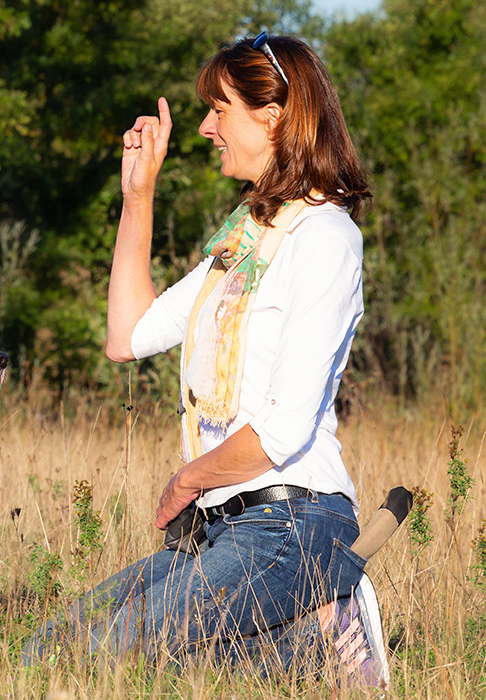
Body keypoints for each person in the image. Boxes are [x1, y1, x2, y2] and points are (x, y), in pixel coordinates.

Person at [22, 33, 388, 686]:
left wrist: (187, 479)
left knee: (109, 662)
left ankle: (327, 623)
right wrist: (138, 195)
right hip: (223, 529)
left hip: (293, 526)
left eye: (218, 109)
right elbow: (126, 335)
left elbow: (280, 431)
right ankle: (308, 637)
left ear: (271, 116)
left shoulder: (325, 239)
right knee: (44, 654)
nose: (203, 127)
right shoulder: (244, 240)